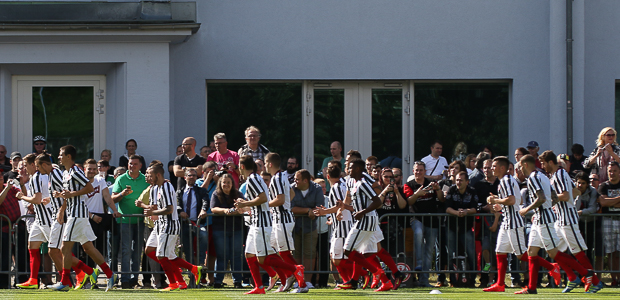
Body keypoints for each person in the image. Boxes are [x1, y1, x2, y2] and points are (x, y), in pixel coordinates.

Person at [516, 154, 597, 294]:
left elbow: (542, 198)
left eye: (519, 166)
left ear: (525, 165)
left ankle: (586, 273)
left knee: (555, 252)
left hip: (546, 218)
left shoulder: (536, 177)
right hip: (544, 217)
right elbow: (553, 197)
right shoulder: (544, 176)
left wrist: (526, 209)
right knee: (532, 251)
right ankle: (532, 288)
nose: (542, 165)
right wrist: (541, 208)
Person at [484, 156, 561, 293]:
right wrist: (499, 206)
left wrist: (496, 200)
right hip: (507, 221)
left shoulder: (507, 180)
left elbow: (512, 200)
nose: (491, 168)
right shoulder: (504, 181)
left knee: (521, 254)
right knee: (500, 251)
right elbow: (512, 201)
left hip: (514, 222)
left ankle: (551, 267)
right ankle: (500, 284)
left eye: (494, 166)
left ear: (502, 168)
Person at [234, 155, 304, 295]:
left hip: (262, 223)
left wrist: (245, 204)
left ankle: (295, 269)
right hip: (257, 222)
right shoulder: (255, 178)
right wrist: (246, 208)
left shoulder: (253, 179)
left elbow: (263, 198)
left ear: (242, 167)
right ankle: (259, 287)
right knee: (249, 254)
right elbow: (262, 202)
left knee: (264, 258)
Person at [53, 145, 116, 291]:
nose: (59, 157)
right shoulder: (66, 173)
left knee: (64, 248)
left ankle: (65, 282)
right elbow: (71, 193)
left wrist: (70, 195)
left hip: (77, 214)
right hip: (77, 214)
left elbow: (89, 188)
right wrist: (62, 196)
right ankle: (109, 274)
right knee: (88, 248)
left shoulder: (75, 171)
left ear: (69, 156)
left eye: (61, 155)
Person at [137, 164, 203, 292]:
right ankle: (191, 272)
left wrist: (152, 213)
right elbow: (155, 208)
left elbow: (169, 209)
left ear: (158, 175)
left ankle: (174, 283)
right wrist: (145, 207)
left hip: (169, 225)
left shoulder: (166, 186)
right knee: (150, 250)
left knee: (163, 256)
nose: (147, 177)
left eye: (150, 175)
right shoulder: (155, 188)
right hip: (160, 225)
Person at [339, 159, 394, 291]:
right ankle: (385, 282)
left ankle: (376, 272)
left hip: (365, 220)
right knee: (365, 253)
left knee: (348, 250)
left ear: (357, 169)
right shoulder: (354, 183)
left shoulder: (363, 184)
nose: (348, 170)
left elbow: (377, 202)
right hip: (364, 220)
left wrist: (362, 212)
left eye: (350, 168)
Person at [314, 162, 354, 290]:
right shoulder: (342, 184)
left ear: (327, 176)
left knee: (335, 257)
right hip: (343, 224)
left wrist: (324, 212)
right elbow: (340, 207)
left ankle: (358, 276)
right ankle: (349, 281)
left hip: (342, 225)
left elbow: (339, 206)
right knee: (340, 256)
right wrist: (331, 215)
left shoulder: (336, 187)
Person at [111, 155, 149, 289]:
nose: (132, 166)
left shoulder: (145, 179)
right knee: (126, 250)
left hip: (140, 220)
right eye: (130, 164)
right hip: (125, 220)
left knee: (138, 250)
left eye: (135, 164)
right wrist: (122, 194)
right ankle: (125, 279)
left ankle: (134, 279)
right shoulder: (121, 178)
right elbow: (112, 199)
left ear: (140, 166)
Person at [263, 153, 300, 291]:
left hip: (283, 219)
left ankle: (299, 279)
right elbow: (291, 194)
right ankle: (288, 277)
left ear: (270, 164)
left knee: (284, 253)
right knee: (273, 250)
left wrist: (265, 205)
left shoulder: (277, 178)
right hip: (280, 218)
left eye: (266, 163)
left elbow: (280, 199)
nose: (265, 165)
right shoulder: (282, 176)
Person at [403, 161, 443, 287]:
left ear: (425, 171)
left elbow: (442, 199)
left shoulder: (431, 184)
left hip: (432, 221)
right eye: (416, 170)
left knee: (429, 251)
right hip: (417, 218)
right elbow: (409, 202)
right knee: (418, 235)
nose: (418, 172)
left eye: (421, 170)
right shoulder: (409, 185)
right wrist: (418, 194)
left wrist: (438, 189)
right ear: (413, 171)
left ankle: (424, 280)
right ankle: (418, 265)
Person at [83, 159, 120, 273]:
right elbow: (78, 203)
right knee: (86, 251)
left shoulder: (100, 180)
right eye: (89, 169)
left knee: (98, 250)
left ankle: (95, 277)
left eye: (94, 169)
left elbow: (107, 197)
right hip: (85, 219)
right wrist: (91, 216)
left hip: (99, 219)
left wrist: (114, 210)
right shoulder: (80, 181)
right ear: (85, 169)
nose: (92, 171)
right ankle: (86, 278)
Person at [208, 173, 244, 288]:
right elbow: (213, 208)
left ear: (232, 183)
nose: (226, 184)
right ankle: (218, 281)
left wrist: (237, 211)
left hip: (237, 229)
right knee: (222, 255)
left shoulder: (238, 194)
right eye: (224, 182)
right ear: (220, 183)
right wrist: (225, 211)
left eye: (229, 182)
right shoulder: (216, 194)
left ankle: (237, 281)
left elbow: (245, 207)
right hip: (220, 229)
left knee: (236, 255)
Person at [176, 168, 212, 282]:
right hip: (185, 224)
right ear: (185, 177)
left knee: (204, 236)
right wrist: (180, 210)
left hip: (197, 223)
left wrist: (203, 210)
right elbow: (177, 203)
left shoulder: (201, 191)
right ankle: (192, 274)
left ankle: (201, 263)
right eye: (189, 175)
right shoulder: (180, 191)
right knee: (187, 249)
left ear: (197, 178)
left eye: (194, 176)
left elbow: (206, 201)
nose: (191, 177)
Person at [444, 171, 478, 286]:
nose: (458, 182)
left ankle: (472, 280)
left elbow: (474, 208)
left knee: (471, 253)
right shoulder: (451, 189)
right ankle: (453, 280)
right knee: (450, 254)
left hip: (466, 227)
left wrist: (466, 212)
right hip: (451, 226)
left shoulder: (472, 191)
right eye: (457, 180)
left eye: (461, 180)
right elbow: (447, 208)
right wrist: (457, 213)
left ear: (467, 182)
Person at [291, 169, 324, 286]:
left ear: (306, 180)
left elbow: (320, 207)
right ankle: (298, 281)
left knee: (310, 254)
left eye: (297, 179)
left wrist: (312, 211)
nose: (295, 182)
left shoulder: (317, 189)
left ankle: (308, 281)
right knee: (296, 254)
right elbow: (290, 208)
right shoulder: (292, 188)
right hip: (294, 227)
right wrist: (308, 210)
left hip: (310, 227)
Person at [573, 171, 604, 281]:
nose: (580, 185)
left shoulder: (593, 192)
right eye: (578, 183)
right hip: (577, 224)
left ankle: (587, 278)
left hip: (590, 224)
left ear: (587, 184)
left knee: (588, 250)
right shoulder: (573, 191)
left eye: (583, 183)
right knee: (575, 251)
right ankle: (574, 277)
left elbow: (592, 209)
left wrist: (581, 212)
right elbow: (574, 208)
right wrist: (578, 196)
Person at [598, 161, 620, 287]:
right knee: (610, 252)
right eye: (610, 171)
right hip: (608, 220)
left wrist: (610, 201)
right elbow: (603, 203)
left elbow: (607, 201)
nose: (612, 173)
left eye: (614, 171)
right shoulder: (603, 186)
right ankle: (614, 279)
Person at [0, 171, 21, 288]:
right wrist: (7, 189)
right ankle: (3, 284)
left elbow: (21, 195)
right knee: (3, 258)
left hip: (16, 227)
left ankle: (18, 281)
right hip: (3, 228)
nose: (0, 177)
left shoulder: (10, 187)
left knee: (18, 257)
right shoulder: (7, 188)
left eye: (1, 175)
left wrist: (21, 184)